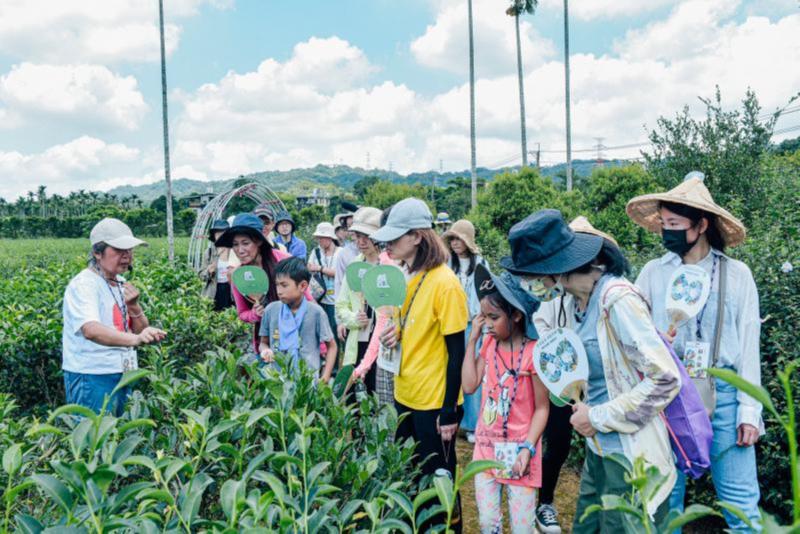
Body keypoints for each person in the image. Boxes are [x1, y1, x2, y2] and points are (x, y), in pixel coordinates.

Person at [500, 209, 681, 533]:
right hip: (599, 451)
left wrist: (595, 416)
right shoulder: (575, 304)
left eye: (531, 277)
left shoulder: (617, 301)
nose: (530, 286)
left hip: (631, 457)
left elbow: (665, 379)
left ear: (554, 270)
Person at [628, 173, 762, 532]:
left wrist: (750, 412)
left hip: (725, 397)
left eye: (675, 224)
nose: (666, 231)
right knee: (663, 500)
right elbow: (632, 334)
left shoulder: (736, 275)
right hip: (668, 397)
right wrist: (655, 344)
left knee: (742, 507)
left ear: (701, 225)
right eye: (664, 223)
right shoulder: (654, 273)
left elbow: (749, 343)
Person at [372, 197, 469, 532]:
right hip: (405, 394)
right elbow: (413, 325)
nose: (388, 243)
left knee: (441, 484)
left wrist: (449, 412)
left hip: (433, 401)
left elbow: (457, 351)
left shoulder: (446, 283)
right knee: (413, 479)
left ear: (416, 236)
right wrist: (394, 334)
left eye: (395, 237)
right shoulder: (406, 276)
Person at [531, 216, 620, 534]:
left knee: (586, 446)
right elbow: (540, 325)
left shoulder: (611, 299)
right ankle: (545, 502)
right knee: (556, 440)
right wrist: (553, 348)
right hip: (559, 378)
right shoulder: (554, 294)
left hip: (593, 389)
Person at [462, 264, 549, 533]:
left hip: (521, 453)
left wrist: (528, 448)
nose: (487, 324)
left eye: (493, 317)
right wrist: (473, 340)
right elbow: (469, 385)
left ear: (516, 316)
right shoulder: (488, 343)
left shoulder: (534, 354)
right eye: (484, 316)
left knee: (522, 527)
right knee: (488, 522)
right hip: (486, 448)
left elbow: (542, 408)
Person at [62, 218, 167, 416]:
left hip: (123, 372)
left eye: (129, 251)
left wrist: (134, 306)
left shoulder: (120, 282)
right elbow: (90, 330)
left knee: (118, 438)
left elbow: (140, 331)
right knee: (94, 440)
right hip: (93, 375)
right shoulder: (85, 284)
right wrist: (136, 339)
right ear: (97, 252)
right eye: (119, 250)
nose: (127, 256)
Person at [215, 213, 302, 356]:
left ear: (259, 241)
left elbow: (308, 300)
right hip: (265, 344)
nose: (240, 250)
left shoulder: (284, 261)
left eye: (245, 243)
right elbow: (242, 313)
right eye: (235, 245)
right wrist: (255, 314)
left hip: (296, 333)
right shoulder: (239, 276)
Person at [442, 219, 488, 444]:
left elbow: (485, 296)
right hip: (449, 323)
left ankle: (472, 423)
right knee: (449, 369)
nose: (454, 243)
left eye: (458, 238)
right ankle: (451, 415)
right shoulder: (447, 263)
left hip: (471, 324)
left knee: (471, 373)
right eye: (452, 238)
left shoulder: (480, 263)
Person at [258, 258, 337, 382]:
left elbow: (332, 346)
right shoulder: (271, 310)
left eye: (284, 285)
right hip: (277, 380)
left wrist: (325, 377)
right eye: (277, 285)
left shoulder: (316, 313)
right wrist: (265, 350)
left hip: (307, 382)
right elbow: (263, 342)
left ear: (303, 286)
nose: (279, 291)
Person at [335, 207, 383, 392]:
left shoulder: (389, 265)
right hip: (359, 337)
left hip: (382, 339)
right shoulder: (355, 265)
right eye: (358, 236)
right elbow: (341, 304)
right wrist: (353, 319)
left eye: (367, 236)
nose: (362, 241)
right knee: (355, 389)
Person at [307, 222, 341, 335]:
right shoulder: (316, 252)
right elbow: (309, 266)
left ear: (330, 238)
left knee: (336, 330)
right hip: (320, 298)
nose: (319, 241)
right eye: (318, 238)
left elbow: (340, 273)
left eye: (322, 238)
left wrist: (320, 268)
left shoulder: (340, 253)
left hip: (337, 299)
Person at [201, 219, 237, 311]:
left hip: (231, 289)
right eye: (218, 233)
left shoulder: (234, 250)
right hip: (215, 290)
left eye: (223, 232)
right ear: (214, 236)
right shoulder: (209, 252)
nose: (221, 235)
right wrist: (209, 271)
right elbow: (201, 275)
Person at [334, 212, 358, 298]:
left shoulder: (381, 251)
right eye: (348, 226)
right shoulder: (344, 253)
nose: (351, 230)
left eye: (354, 225)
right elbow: (339, 283)